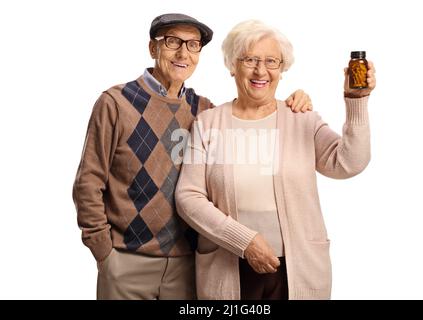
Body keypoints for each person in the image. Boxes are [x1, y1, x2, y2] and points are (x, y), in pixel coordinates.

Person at [73, 13, 314, 300]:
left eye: (193, 45)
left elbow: (246, 115)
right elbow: (88, 181)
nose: (183, 53)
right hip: (126, 259)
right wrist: (104, 250)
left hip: (186, 263)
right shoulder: (116, 102)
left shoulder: (203, 111)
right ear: (153, 48)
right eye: (173, 41)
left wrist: (291, 101)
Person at [175, 19, 376, 300]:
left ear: (282, 69)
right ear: (232, 65)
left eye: (272, 61)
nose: (261, 71)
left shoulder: (302, 118)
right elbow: (188, 197)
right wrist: (244, 241)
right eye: (250, 59)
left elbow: (348, 163)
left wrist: (356, 102)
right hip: (227, 268)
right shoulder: (208, 123)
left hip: (298, 270)